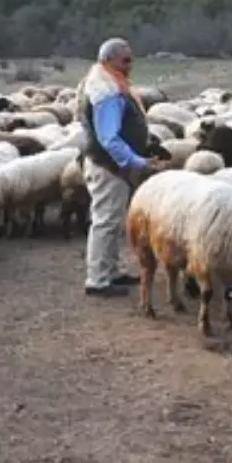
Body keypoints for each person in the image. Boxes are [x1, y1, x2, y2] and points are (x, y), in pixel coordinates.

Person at [77, 38, 167, 297]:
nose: (130, 65)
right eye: (125, 60)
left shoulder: (105, 81)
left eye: (131, 59)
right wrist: (137, 162)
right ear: (109, 61)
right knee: (105, 220)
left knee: (112, 219)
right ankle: (98, 279)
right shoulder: (106, 92)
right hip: (109, 166)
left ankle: (111, 271)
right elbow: (109, 138)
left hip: (108, 164)